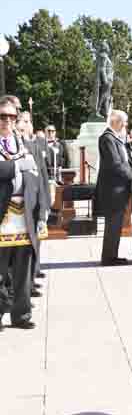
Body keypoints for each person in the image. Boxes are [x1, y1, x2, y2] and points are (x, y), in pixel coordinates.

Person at [0, 96, 50, 331]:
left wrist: (41, 214)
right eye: (2, 116)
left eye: (12, 116)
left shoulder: (23, 144)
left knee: (23, 269)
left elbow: (38, 180)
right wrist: (16, 166)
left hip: (24, 214)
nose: (7, 121)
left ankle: (21, 314)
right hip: (2, 213)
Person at [95, 110, 132, 266]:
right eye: (124, 122)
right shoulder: (107, 139)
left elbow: (124, 162)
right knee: (112, 225)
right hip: (113, 190)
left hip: (119, 189)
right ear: (116, 122)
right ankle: (108, 258)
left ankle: (112, 256)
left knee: (116, 225)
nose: (126, 125)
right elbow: (116, 164)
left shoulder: (115, 138)